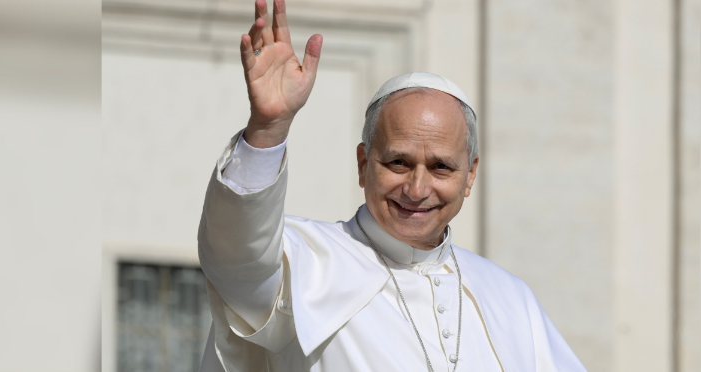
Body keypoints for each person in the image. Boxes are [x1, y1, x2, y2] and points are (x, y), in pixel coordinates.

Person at [197, 0, 587, 370]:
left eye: (441, 167)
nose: (416, 189)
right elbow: (237, 256)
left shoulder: (510, 298)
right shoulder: (303, 263)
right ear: (364, 164)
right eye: (398, 163)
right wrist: (268, 130)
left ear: (469, 176)